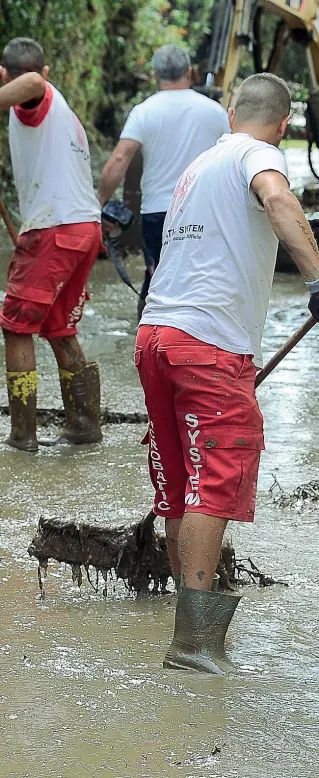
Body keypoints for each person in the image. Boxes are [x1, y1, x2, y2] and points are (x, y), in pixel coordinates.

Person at [134, 72, 319, 674]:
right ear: (285, 124)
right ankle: (193, 645)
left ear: (230, 111)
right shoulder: (259, 155)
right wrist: (317, 275)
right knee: (215, 475)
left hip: (156, 336)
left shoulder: (199, 166)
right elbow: (278, 199)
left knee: (182, 480)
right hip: (207, 345)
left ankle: (189, 622)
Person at [0, 38, 102, 452]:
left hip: (55, 231)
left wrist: (20, 81)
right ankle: (84, 426)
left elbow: (28, 86)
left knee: (15, 327)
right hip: (81, 228)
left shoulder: (36, 96)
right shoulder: (58, 107)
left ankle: (22, 436)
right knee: (60, 329)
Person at [98, 44, 229, 319]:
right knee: (202, 282)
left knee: (157, 280)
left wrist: (96, 204)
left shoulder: (144, 111)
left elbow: (120, 159)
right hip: (205, 212)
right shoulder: (215, 112)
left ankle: (148, 343)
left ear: (155, 76)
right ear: (190, 73)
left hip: (159, 213)